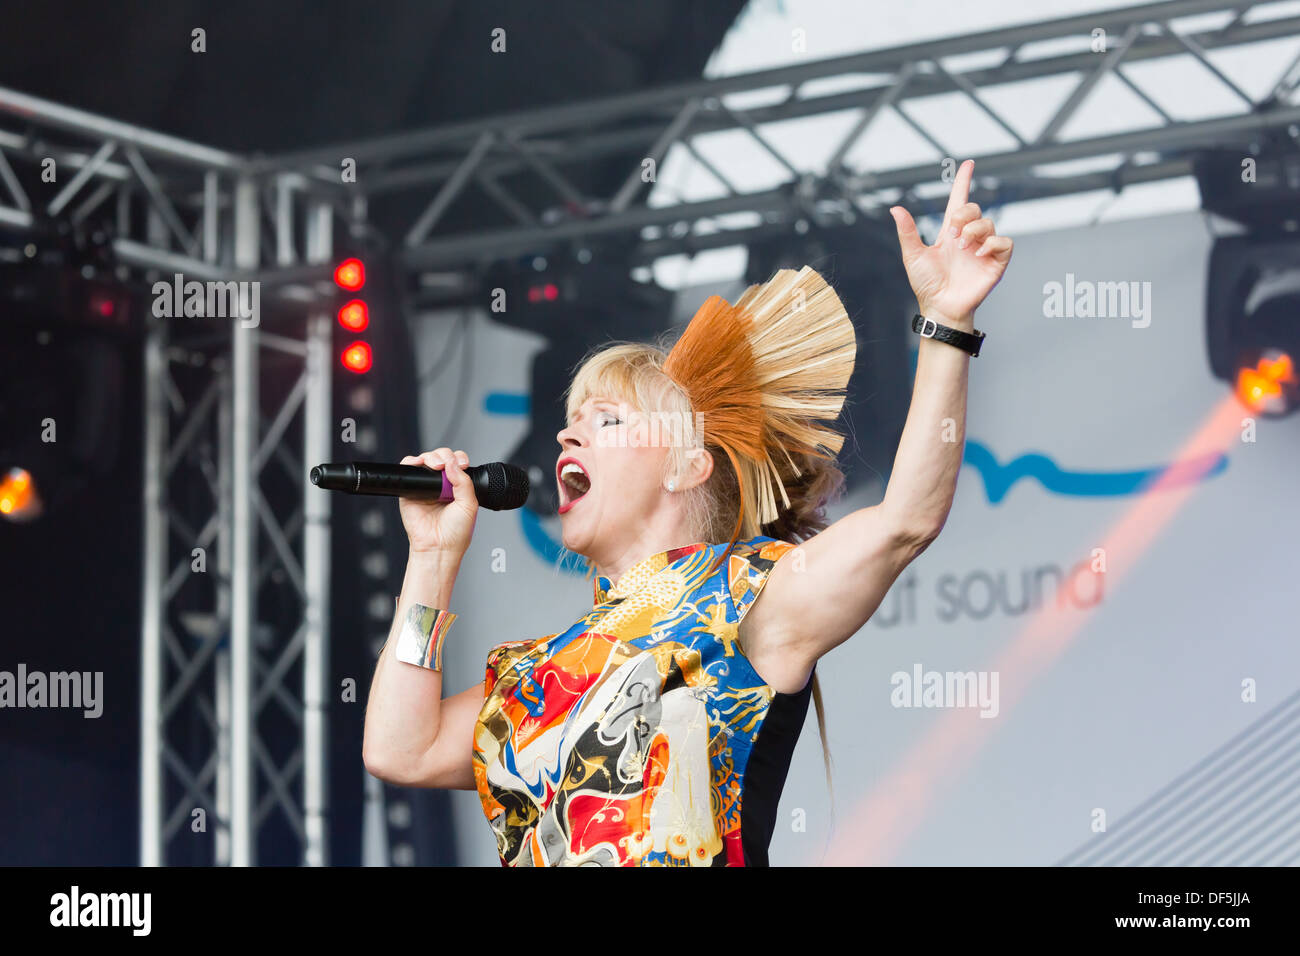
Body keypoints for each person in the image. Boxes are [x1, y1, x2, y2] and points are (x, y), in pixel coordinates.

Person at [363, 159, 1013, 866]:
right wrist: (431, 560)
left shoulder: (743, 599)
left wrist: (948, 321)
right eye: (572, 421)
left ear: (685, 465)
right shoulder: (540, 675)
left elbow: (905, 521)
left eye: (605, 420)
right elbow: (403, 749)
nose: (565, 435)